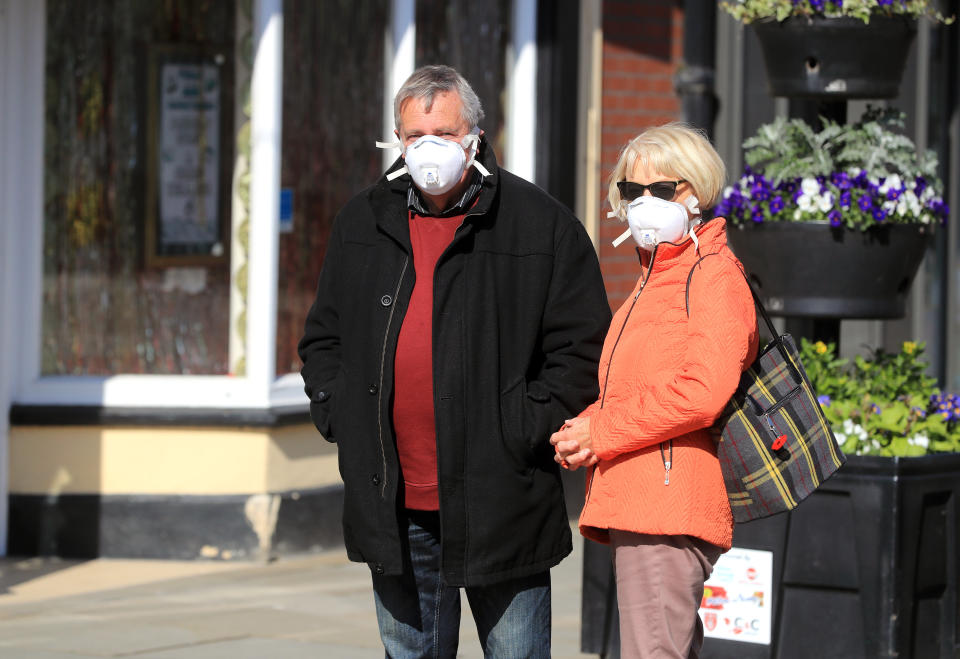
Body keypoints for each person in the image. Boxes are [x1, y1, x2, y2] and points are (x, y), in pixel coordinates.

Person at [298, 64, 611, 658]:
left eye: (443, 132)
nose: (428, 149)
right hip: (394, 502)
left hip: (502, 499)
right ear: (396, 140)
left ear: (474, 137)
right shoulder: (362, 220)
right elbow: (324, 338)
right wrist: (341, 414)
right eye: (414, 136)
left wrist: (522, 425)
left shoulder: (539, 224)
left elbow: (581, 349)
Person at [550, 123, 759, 659]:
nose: (644, 203)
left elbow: (701, 392)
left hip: (667, 507)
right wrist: (587, 427)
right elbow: (637, 383)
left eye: (662, 190)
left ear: (698, 193)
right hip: (642, 500)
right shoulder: (659, 276)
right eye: (631, 190)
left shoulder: (712, 274)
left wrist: (602, 431)